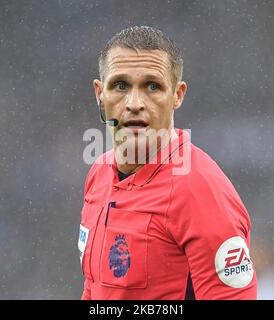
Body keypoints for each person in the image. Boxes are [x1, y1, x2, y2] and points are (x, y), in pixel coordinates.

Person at [78, 26, 257, 299]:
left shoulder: (199, 188)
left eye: (152, 86)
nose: (135, 103)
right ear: (99, 94)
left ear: (177, 95)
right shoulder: (99, 174)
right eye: (120, 85)